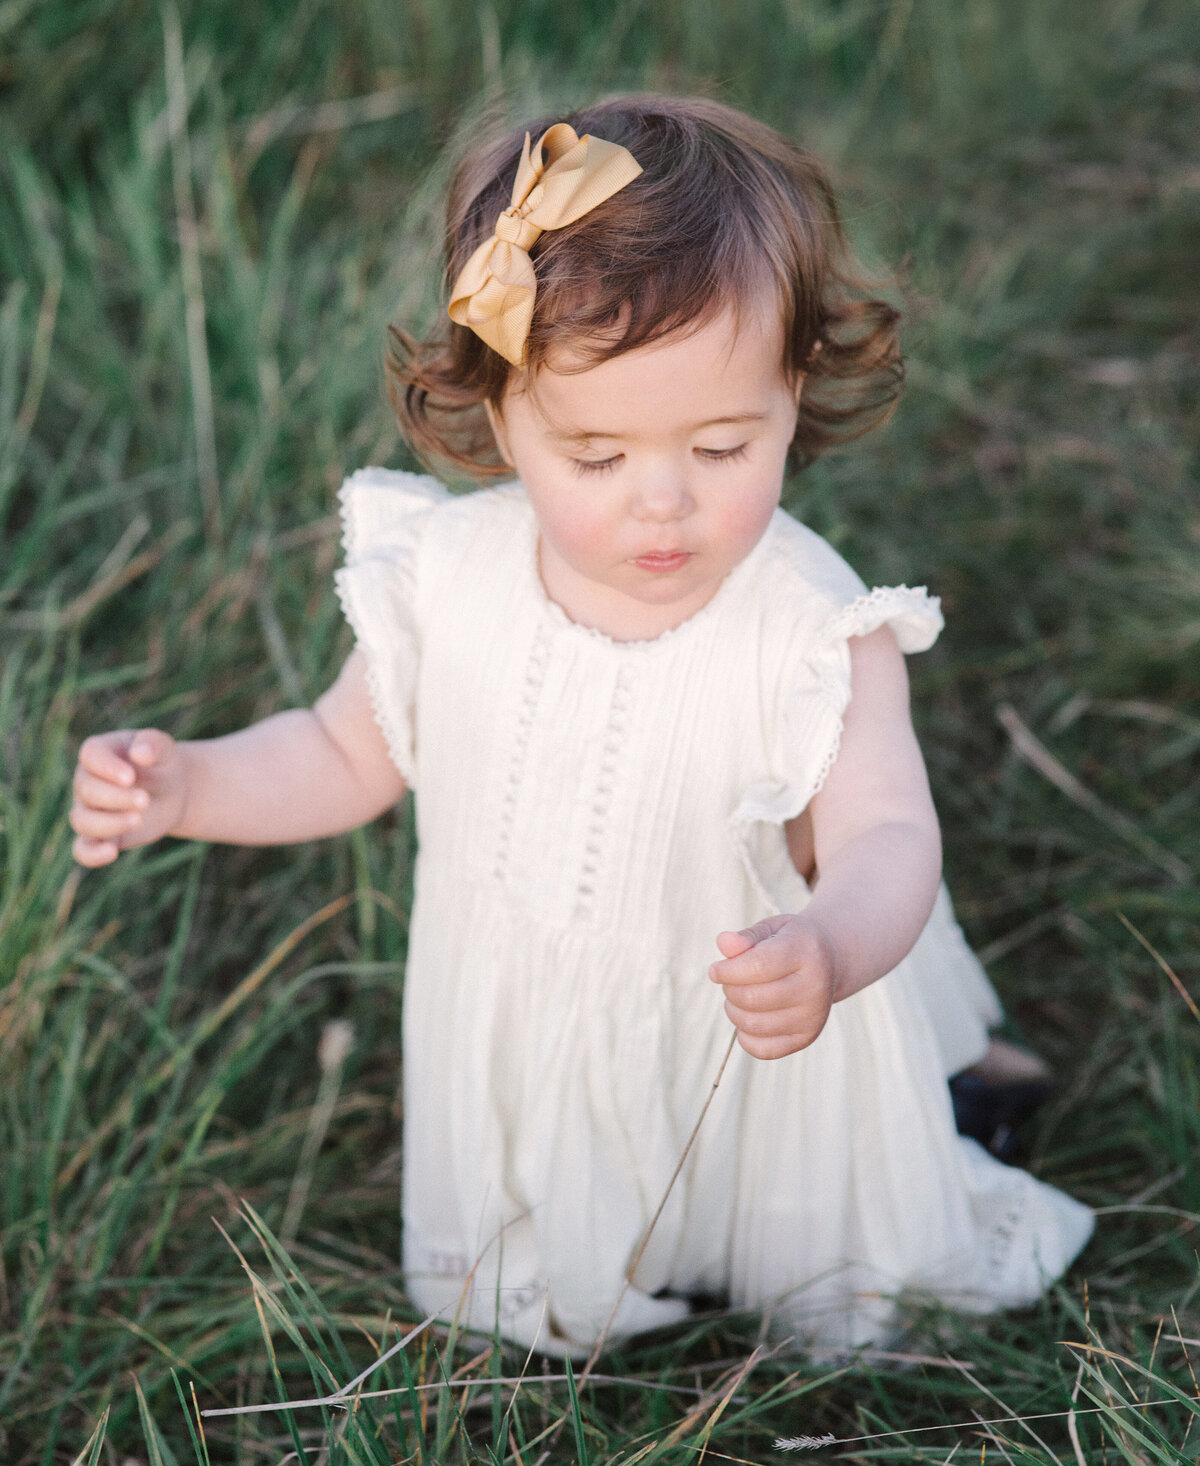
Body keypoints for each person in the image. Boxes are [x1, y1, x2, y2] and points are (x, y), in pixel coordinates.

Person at [69, 95, 1092, 1354]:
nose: (661, 503)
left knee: (804, 1201)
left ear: (794, 391)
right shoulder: (449, 577)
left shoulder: (815, 625)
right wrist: (193, 786)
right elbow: (343, 752)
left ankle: (952, 1103)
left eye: (723, 444)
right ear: (498, 416)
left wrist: (827, 947)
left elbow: (885, 832)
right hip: (526, 1002)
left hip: (750, 1002)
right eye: (595, 457)